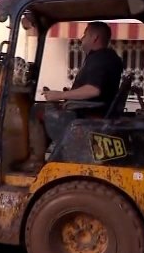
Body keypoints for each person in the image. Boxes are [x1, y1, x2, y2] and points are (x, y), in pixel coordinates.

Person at [27, 21, 124, 167]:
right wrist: (68, 94)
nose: (81, 38)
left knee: (36, 110)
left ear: (95, 37)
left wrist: (60, 95)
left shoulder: (100, 59)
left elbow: (93, 90)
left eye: (85, 34)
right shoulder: (108, 57)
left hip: (87, 115)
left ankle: (35, 161)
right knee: (47, 107)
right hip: (90, 109)